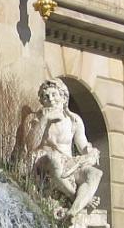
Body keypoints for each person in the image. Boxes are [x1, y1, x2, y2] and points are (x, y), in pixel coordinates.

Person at [22, 78, 102, 218]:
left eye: (54, 95)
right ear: (41, 100)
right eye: (46, 96)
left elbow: (82, 145)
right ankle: (78, 198)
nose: (51, 99)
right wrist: (45, 120)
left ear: (63, 97)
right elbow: (30, 145)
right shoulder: (35, 119)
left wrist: (91, 152)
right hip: (44, 161)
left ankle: (72, 211)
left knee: (95, 174)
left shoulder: (73, 120)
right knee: (54, 160)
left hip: (69, 163)